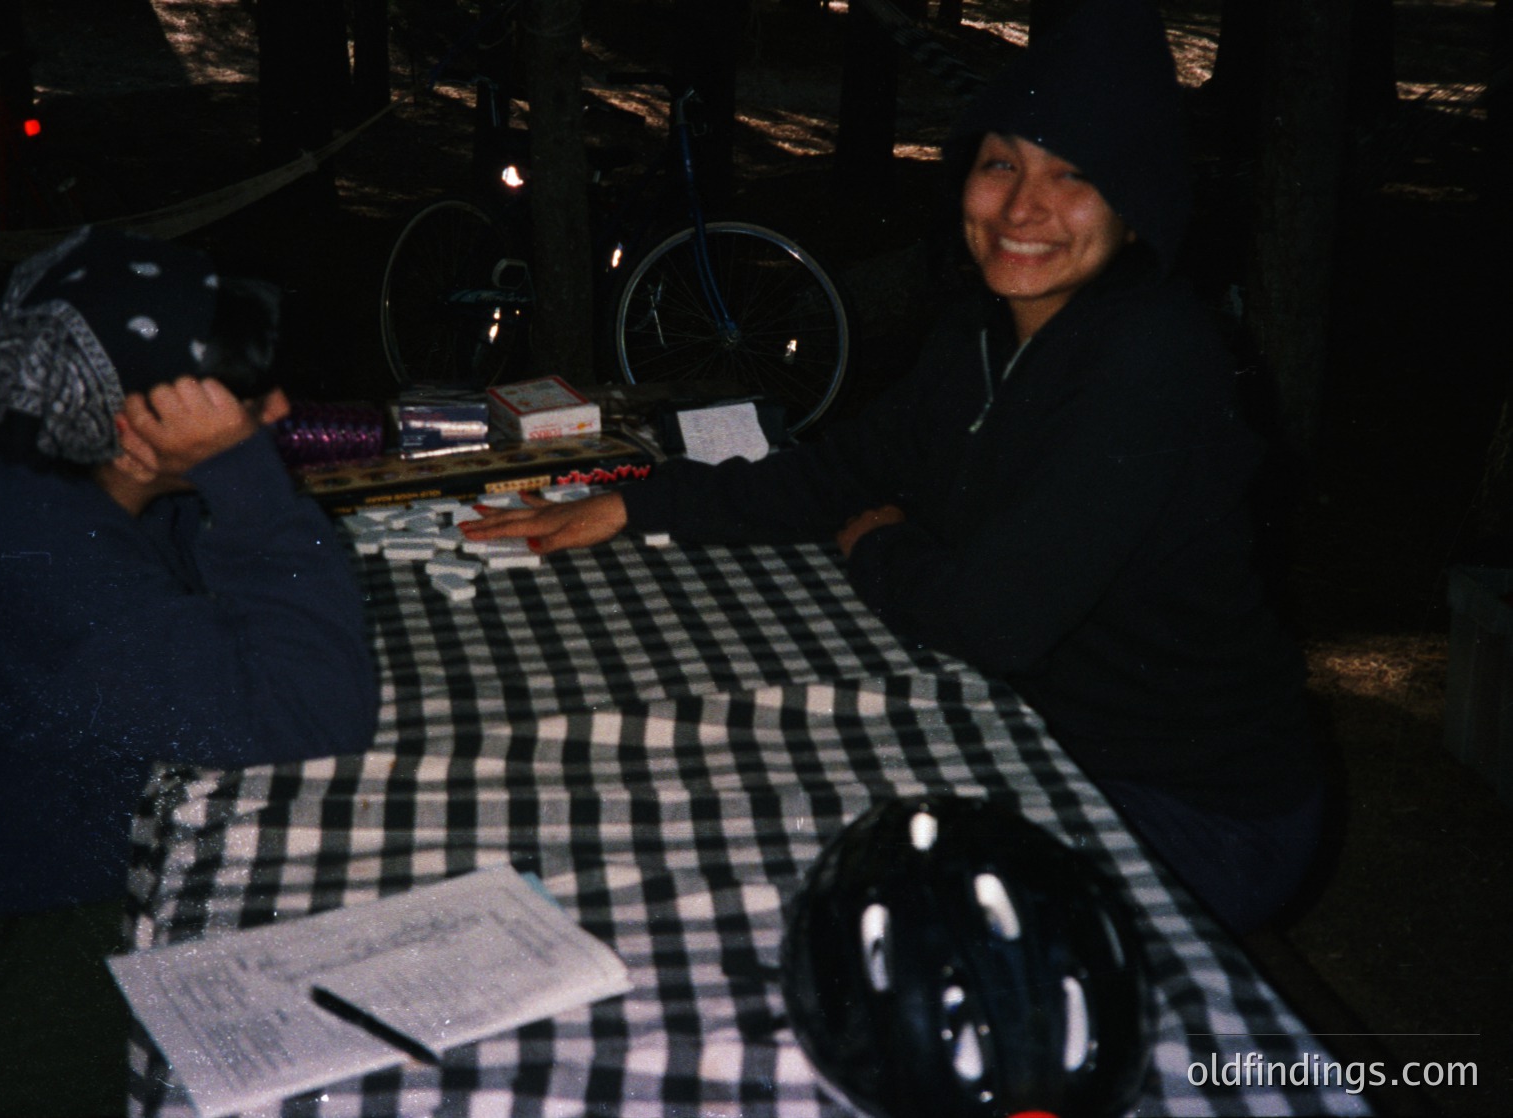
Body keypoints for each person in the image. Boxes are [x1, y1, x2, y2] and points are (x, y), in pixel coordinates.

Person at [462, 0, 1324, 936]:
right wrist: (633, 505)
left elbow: (988, 619)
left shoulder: (1158, 360)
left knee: (870, 928)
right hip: (1036, 736)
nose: (1023, 207)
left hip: (1187, 804)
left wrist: (881, 545)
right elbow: (840, 473)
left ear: (1137, 201)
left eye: (1074, 175)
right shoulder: (981, 338)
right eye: (1002, 164)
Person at [0, 226, 378, 1116]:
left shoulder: (33, 482)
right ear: (137, 427)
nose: (279, 409)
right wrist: (243, 478)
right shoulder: (35, 563)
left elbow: (215, 615)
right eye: (247, 397)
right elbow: (312, 714)